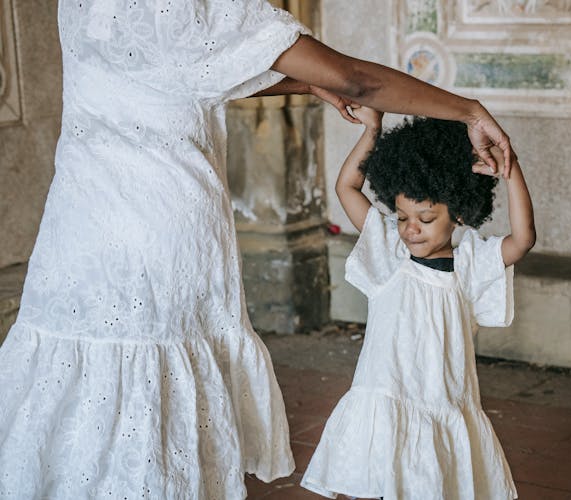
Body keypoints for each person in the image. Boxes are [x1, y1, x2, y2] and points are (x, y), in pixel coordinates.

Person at [0, 1, 517, 499]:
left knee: (76, 402)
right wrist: (467, 110)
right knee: (152, 410)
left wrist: (308, 81)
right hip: (157, 239)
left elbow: (178, 70)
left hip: (76, 231)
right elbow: (356, 80)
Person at [300, 106, 535, 500]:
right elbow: (347, 189)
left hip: (443, 399)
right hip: (386, 396)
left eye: (425, 218)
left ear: (458, 214)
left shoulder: (470, 266)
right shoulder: (389, 253)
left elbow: (522, 239)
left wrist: (511, 170)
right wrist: (371, 131)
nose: (410, 229)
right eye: (403, 215)